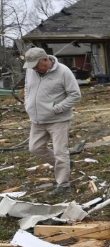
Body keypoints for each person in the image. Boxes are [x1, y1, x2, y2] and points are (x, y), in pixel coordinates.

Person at [23, 47, 82, 193]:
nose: (35, 68)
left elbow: (75, 95)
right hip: (37, 119)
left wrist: (57, 108)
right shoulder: (31, 70)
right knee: (35, 148)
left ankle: (63, 184)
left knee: (60, 152)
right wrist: (28, 104)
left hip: (58, 120)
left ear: (45, 59)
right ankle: (65, 165)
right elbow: (27, 88)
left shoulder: (63, 71)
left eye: (37, 65)